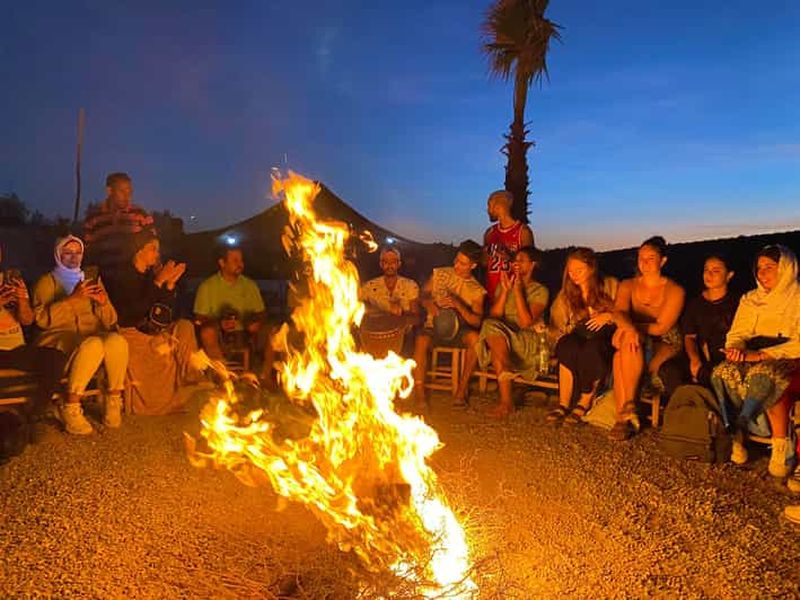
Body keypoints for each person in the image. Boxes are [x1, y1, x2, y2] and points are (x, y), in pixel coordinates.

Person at [710, 245, 800, 478]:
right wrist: (736, 350)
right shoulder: (751, 299)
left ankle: (780, 445)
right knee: (722, 372)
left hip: (790, 356)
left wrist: (762, 355)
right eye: (759, 268)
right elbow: (737, 333)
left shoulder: (797, 297)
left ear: (786, 268)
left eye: (769, 267)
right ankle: (737, 435)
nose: (762, 273)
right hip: (754, 353)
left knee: (767, 375)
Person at [32, 235, 129, 435]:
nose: (73, 257)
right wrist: (73, 299)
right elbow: (42, 320)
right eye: (67, 252)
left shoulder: (90, 280)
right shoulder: (47, 282)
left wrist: (102, 302)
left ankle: (113, 399)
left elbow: (110, 320)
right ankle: (71, 406)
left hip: (89, 335)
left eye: (78, 253)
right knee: (93, 344)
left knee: (116, 341)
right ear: (58, 254)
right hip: (57, 337)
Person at [103, 230, 202, 415]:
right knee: (158, 351)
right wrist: (159, 281)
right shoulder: (123, 276)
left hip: (152, 329)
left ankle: (191, 376)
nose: (157, 254)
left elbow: (163, 312)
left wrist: (170, 284)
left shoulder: (150, 276)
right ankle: (157, 404)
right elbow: (134, 311)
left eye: (158, 250)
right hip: (131, 331)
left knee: (185, 327)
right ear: (138, 250)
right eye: (153, 249)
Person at [454, 246, 548, 417]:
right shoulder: (504, 285)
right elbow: (495, 316)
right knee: (491, 328)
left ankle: (506, 400)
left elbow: (526, 322)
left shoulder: (540, 290)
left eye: (521, 260)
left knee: (497, 343)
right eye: (514, 260)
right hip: (503, 338)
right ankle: (506, 395)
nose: (516, 263)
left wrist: (518, 290)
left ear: (533, 264)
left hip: (526, 340)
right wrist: (505, 291)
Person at [610, 236, 685, 441]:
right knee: (623, 348)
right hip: (635, 338)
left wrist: (629, 328)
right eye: (641, 258)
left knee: (622, 352)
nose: (644, 262)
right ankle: (629, 411)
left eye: (650, 258)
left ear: (663, 261)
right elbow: (619, 312)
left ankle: (623, 416)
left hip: (665, 340)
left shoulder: (674, 290)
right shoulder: (628, 285)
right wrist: (628, 329)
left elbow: (662, 326)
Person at [0, 246, 69, 455]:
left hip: (16, 348)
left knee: (55, 359)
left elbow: (28, 320)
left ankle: (34, 415)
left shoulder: (10, 279)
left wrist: (21, 299)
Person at [547, 247, 624, 426]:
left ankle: (584, 402)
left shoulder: (610, 285)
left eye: (579, 270)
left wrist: (608, 316)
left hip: (605, 336)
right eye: (571, 271)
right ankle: (563, 403)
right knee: (566, 345)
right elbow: (557, 325)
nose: (574, 275)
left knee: (592, 349)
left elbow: (624, 313)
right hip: (579, 334)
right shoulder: (567, 294)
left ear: (592, 268)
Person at [412, 241, 486, 406]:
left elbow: (477, 320)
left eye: (463, 263)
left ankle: (461, 391)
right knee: (421, 340)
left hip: (459, 330)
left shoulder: (476, 290)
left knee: (475, 339)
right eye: (456, 260)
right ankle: (419, 392)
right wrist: (428, 303)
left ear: (473, 266)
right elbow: (422, 294)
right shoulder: (440, 274)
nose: (457, 265)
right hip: (434, 326)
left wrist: (457, 304)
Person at [658, 254, 739, 398]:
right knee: (668, 369)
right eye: (706, 269)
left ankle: (714, 412)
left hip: (726, 358)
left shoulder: (738, 303)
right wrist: (695, 360)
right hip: (700, 355)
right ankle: (686, 408)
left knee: (709, 374)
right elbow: (689, 336)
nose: (709, 274)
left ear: (729, 275)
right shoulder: (695, 304)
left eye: (716, 270)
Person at [194, 245, 273, 382]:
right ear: (222, 263)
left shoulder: (249, 285)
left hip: (246, 332)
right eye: (235, 260)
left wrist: (255, 322)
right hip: (220, 334)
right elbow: (199, 318)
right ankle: (224, 378)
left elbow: (262, 314)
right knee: (207, 332)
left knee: (274, 332)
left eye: (241, 260)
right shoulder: (207, 286)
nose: (240, 264)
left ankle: (264, 378)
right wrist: (220, 323)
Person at [82, 172, 156, 276]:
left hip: (135, 278)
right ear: (109, 191)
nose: (127, 196)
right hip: (105, 278)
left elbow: (154, 243)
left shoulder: (140, 214)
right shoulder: (93, 218)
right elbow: (88, 250)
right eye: (122, 191)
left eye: (129, 191)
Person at [359, 247, 420, 356]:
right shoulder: (368, 287)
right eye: (385, 262)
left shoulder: (410, 285)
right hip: (374, 336)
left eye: (393, 262)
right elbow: (358, 309)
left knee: (409, 341)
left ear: (399, 264)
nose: (389, 265)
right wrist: (383, 311)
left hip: (403, 336)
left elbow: (416, 318)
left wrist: (399, 319)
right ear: (381, 264)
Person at [483, 190, 534, 301]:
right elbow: (484, 263)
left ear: (499, 205)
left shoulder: (523, 231)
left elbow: (531, 264)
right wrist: (484, 254)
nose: (487, 210)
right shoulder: (489, 233)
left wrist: (510, 257)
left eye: (489, 205)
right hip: (492, 294)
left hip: (514, 295)